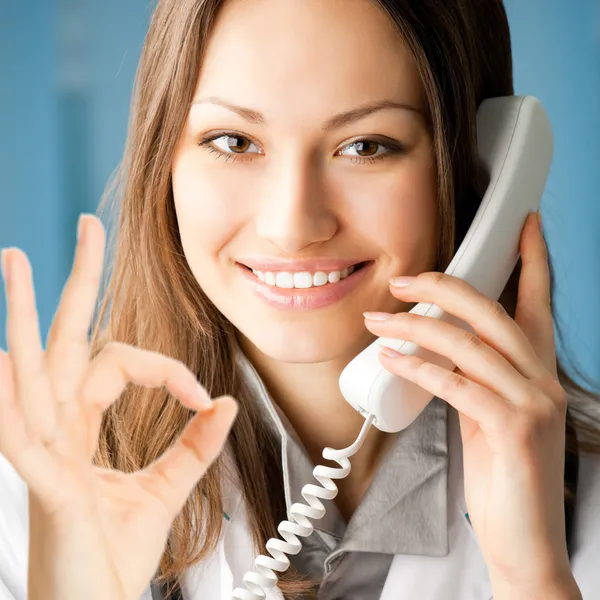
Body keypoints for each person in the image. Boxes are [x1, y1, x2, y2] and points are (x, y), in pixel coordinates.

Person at [0, 0, 599, 599]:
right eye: (234, 141)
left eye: (365, 146)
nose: (291, 226)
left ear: (482, 171)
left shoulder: (586, 506)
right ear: (165, 159)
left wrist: (534, 576)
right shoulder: (28, 492)